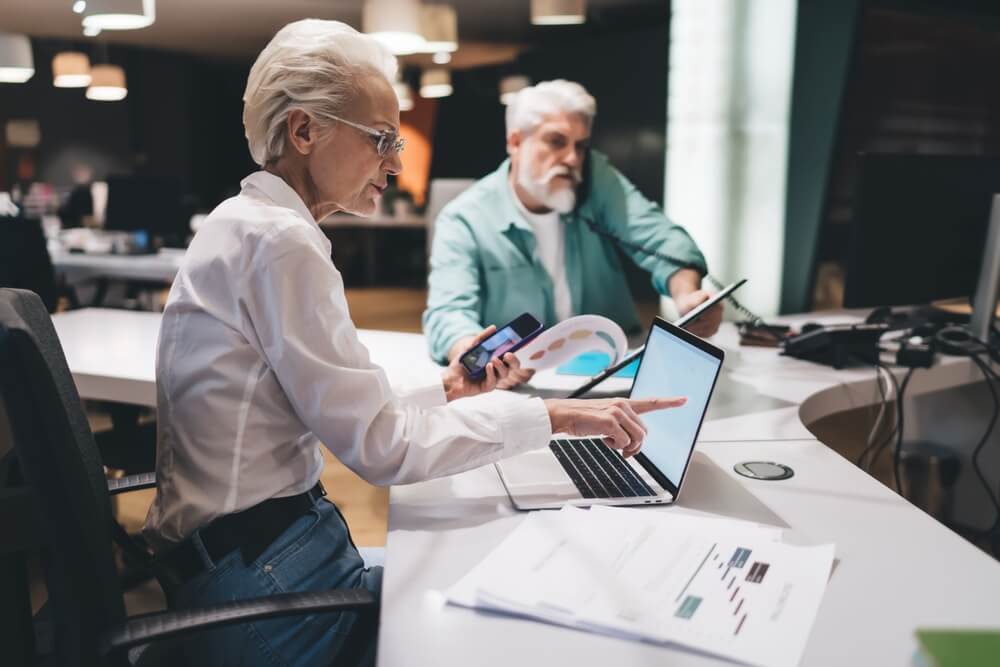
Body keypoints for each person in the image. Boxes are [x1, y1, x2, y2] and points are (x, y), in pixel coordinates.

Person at [143, 20, 685, 667]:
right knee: (502, 621)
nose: (397, 162)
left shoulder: (247, 224)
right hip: (265, 584)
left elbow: (341, 404)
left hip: (248, 562)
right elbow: (383, 448)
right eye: (382, 139)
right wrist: (553, 415)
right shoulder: (282, 242)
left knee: (471, 578)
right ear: (304, 130)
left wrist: (449, 387)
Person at [422, 80, 723, 385]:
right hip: (522, 390)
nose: (572, 159)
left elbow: (663, 238)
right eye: (556, 141)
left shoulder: (595, 180)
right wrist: (476, 356)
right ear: (515, 142)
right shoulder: (464, 219)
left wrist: (687, 295)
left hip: (614, 377)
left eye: (580, 145)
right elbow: (448, 314)